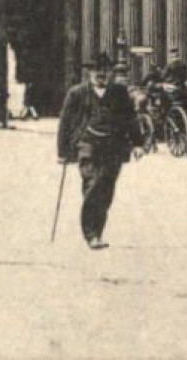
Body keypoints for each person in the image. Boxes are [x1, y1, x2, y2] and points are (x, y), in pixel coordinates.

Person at [57, 57, 144, 250]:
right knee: (93, 183)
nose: (100, 75)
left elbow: (130, 118)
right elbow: (65, 122)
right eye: (96, 71)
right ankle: (91, 234)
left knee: (106, 189)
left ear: (110, 73)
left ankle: (97, 231)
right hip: (87, 143)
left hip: (114, 145)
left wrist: (138, 143)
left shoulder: (119, 93)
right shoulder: (77, 93)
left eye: (105, 71)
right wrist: (62, 152)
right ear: (89, 73)